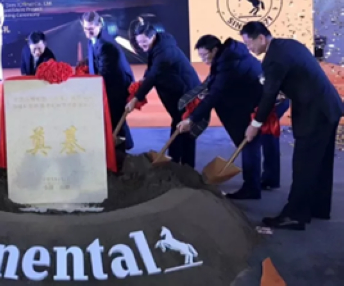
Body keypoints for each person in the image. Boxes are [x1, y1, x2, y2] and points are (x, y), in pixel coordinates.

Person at [241, 22, 344, 230]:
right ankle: (317, 208)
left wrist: (255, 124)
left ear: (261, 38)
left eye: (249, 43)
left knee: (304, 164)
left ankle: (295, 215)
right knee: (320, 163)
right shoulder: (287, 45)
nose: (248, 48)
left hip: (314, 114)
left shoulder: (274, 59)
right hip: (328, 108)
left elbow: (269, 94)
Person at [177, 35, 265, 200]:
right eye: (200, 56)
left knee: (248, 142)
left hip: (260, 103)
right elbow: (213, 82)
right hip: (255, 98)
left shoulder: (229, 64)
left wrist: (191, 119)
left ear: (215, 50)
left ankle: (252, 188)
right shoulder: (228, 56)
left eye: (205, 55)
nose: (203, 60)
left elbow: (215, 94)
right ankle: (267, 180)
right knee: (254, 141)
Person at [125, 21, 201, 167]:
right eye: (139, 42)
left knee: (185, 128)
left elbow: (153, 76)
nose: (141, 45)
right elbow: (151, 69)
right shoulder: (157, 46)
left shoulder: (165, 52)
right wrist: (142, 81)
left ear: (152, 36)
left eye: (144, 41)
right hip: (176, 90)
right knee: (177, 124)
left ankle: (187, 168)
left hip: (186, 93)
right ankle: (174, 161)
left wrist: (136, 98)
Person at [81, 11, 135, 158]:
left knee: (116, 120)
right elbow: (96, 59)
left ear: (99, 25)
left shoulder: (106, 45)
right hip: (110, 85)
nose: (88, 32)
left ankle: (121, 155)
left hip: (116, 87)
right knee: (115, 120)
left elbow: (105, 73)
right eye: (85, 28)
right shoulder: (94, 38)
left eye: (91, 28)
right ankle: (122, 149)